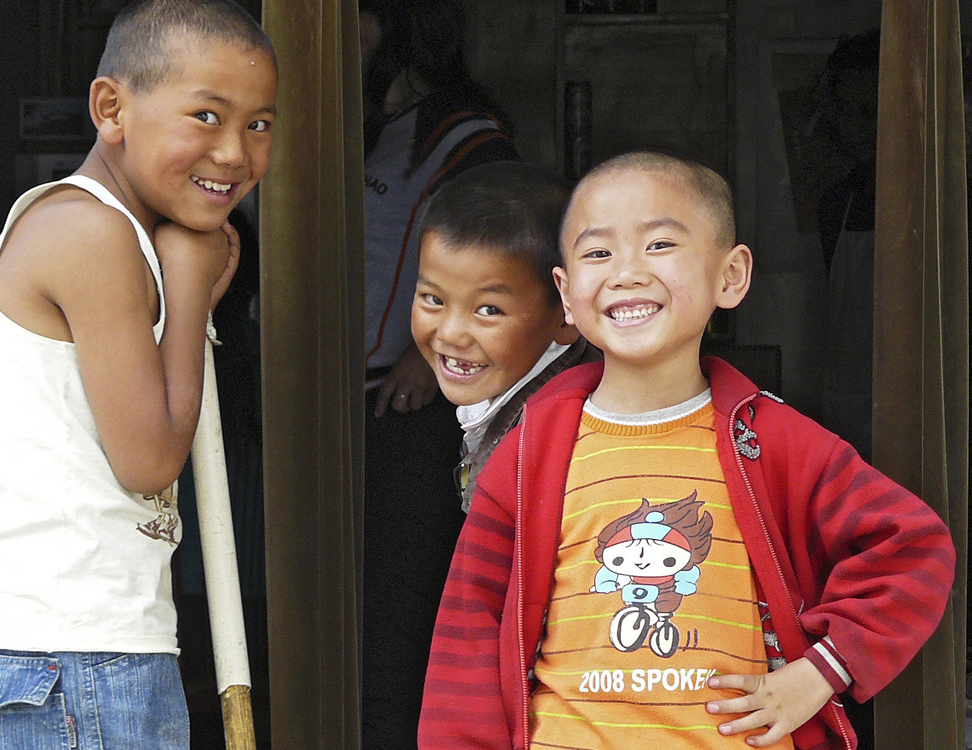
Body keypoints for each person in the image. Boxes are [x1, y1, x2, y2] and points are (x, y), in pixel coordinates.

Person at [418, 151, 955, 749]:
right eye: (599, 253)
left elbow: (913, 547)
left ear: (731, 277)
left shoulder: (771, 439)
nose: (626, 272)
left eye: (659, 245)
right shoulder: (532, 452)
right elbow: (468, 632)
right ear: (566, 295)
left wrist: (821, 673)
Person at [0, 1, 276, 746]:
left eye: (259, 123)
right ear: (112, 108)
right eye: (206, 115)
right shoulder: (90, 232)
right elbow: (147, 460)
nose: (235, 152)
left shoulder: (110, 232)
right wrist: (188, 286)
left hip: (74, 652)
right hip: (63, 658)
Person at [360, 1, 518, 748]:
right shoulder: (355, 124)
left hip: (411, 409)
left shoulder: (460, 136)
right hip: (329, 401)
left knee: (399, 617)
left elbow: (501, 256)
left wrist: (427, 357)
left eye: (359, 17)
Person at [411, 160, 596, 512]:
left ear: (566, 315)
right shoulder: (510, 405)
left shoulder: (560, 442)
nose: (450, 334)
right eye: (433, 299)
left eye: (489, 310)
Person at [816, 29, 880, 463]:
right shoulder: (837, 202)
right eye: (846, 111)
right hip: (849, 402)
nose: (856, 125)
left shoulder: (946, 203)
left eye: (869, 111)